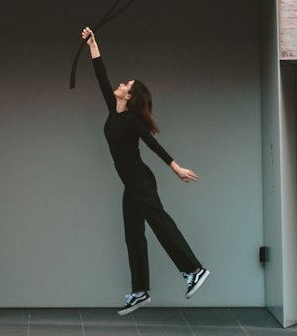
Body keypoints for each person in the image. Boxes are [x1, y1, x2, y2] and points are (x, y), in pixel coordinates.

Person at [81, 26, 210, 314]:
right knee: (133, 234)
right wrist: (93, 44)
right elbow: (101, 76)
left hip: (140, 180)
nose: (121, 83)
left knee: (159, 222)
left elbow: (152, 144)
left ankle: (194, 270)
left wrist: (176, 168)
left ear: (130, 96)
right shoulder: (114, 111)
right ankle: (140, 291)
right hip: (132, 183)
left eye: (126, 84)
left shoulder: (132, 121)